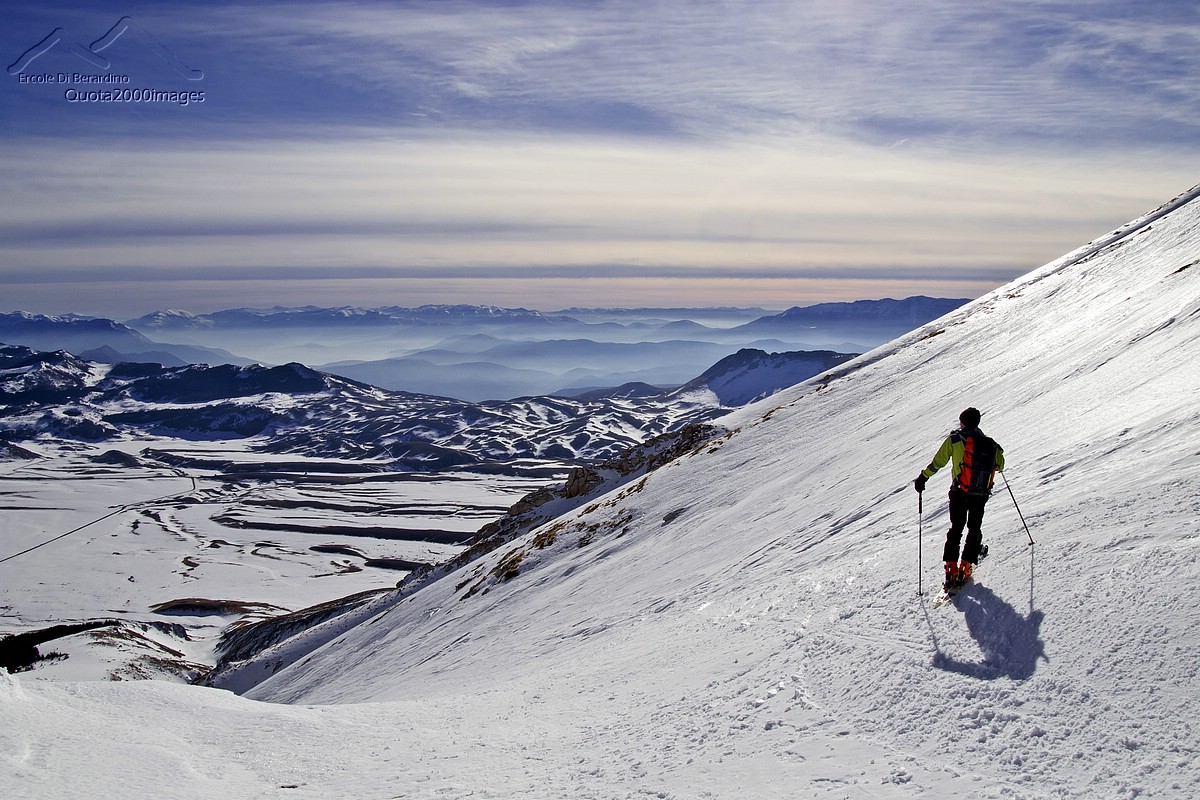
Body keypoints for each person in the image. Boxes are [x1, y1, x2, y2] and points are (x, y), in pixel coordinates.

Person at [914, 407, 1005, 591]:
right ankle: (966, 567)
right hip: (979, 494)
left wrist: (923, 477)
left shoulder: (954, 439)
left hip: (958, 491)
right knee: (974, 528)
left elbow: (938, 462)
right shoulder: (990, 444)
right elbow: (1000, 466)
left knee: (956, 528)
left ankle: (950, 570)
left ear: (962, 422)